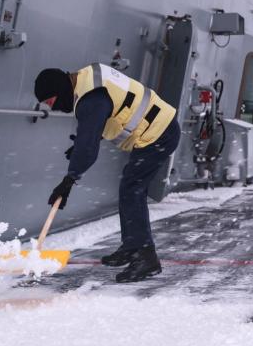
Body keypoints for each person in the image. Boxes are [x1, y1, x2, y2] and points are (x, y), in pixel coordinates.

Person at [34, 64, 180, 282]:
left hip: (158, 133)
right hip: (158, 127)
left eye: (51, 102)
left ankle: (146, 258)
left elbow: (88, 148)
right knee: (130, 189)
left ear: (60, 90)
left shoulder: (90, 100)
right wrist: (86, 143)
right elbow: (117, 109)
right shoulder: (88, 80)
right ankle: (132, 246)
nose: (53, 108)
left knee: (132, 190)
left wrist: (69, 180)